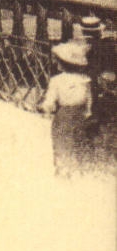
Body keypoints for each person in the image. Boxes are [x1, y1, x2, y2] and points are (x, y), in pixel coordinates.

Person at [40, 39, 96, 176]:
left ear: (61, 64)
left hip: (64, 115)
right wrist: (87, 112)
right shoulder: (85, 80)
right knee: (78, 142)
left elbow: (50, 101)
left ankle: (63, 171)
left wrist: (45, 109)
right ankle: (79, 171)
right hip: (80, 115)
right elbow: (89, 99)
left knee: (61, 143)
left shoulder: (57, 80)